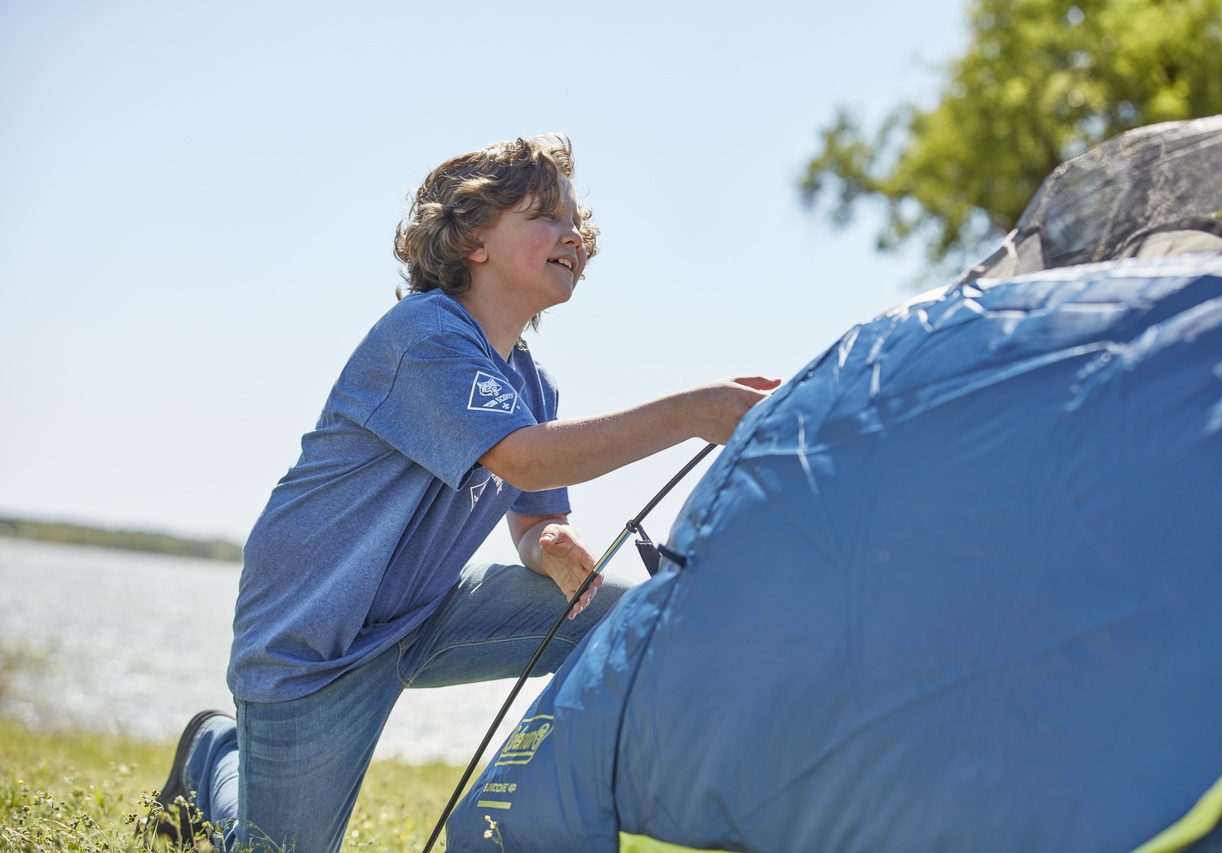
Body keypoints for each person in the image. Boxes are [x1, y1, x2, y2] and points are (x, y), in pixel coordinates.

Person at [151, 133, 778, 851]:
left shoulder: (533, 383)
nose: (571, 234)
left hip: (423, 611)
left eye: (577, 222)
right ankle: (213, 757)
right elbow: (525, 459)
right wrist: (693, 410)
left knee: (625, 615)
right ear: (473, 239)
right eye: (545, 214)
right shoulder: (425, 335)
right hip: (313, 636)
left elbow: (536, 512)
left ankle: (537, 817)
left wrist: (549, 548)